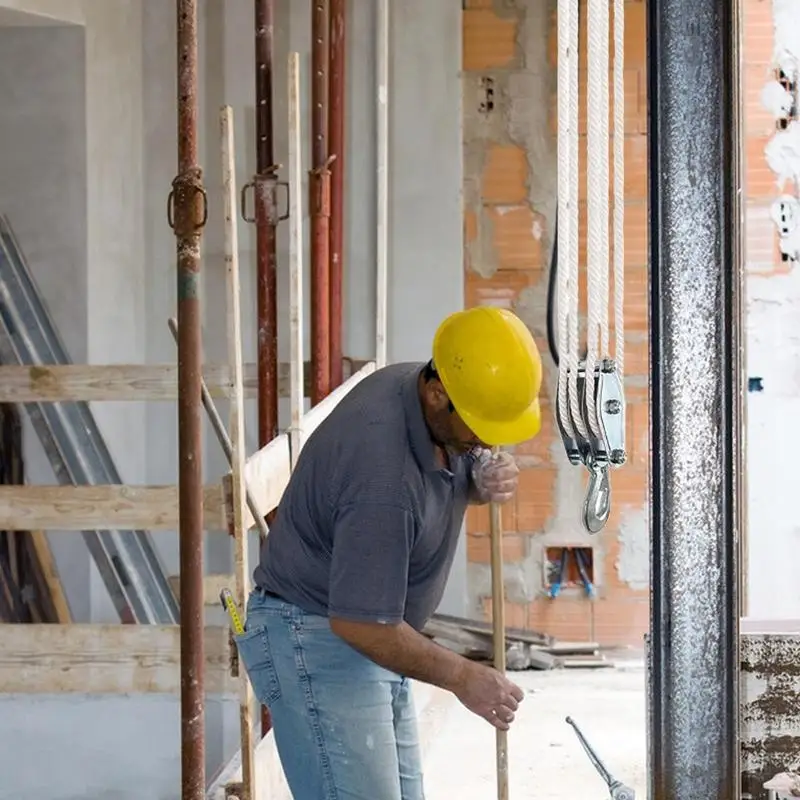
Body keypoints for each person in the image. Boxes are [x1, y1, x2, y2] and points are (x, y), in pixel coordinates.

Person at [234, 306, 543, 800]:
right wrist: (463, 676)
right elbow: (361, 624)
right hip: (318, 638)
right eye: (478, 427)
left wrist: (475, 479)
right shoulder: (381, 474)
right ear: (437, 392)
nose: (486, 440)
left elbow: (445, 467)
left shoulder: (417, 388)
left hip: (372, 629)